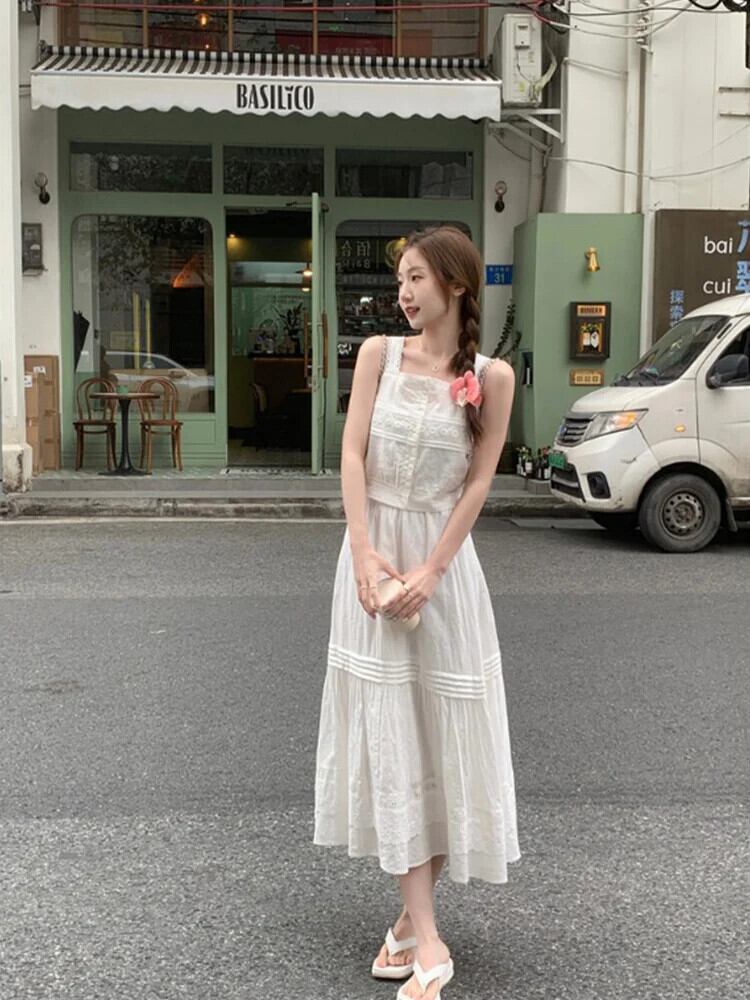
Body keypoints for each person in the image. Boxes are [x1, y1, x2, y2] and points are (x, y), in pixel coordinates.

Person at [313, 225, 520, 1000]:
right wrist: (365, 556)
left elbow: (478, 481)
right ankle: (428, 938)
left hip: (443, 572)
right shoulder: (378, 355)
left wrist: (433, 571)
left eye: (416, 279)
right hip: (373, 563)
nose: (402, 293)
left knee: (438, 736)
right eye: (399, 279)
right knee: (392, 735)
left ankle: (409, 925)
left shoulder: (492, 377)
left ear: (456, 285)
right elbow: (352, 455)